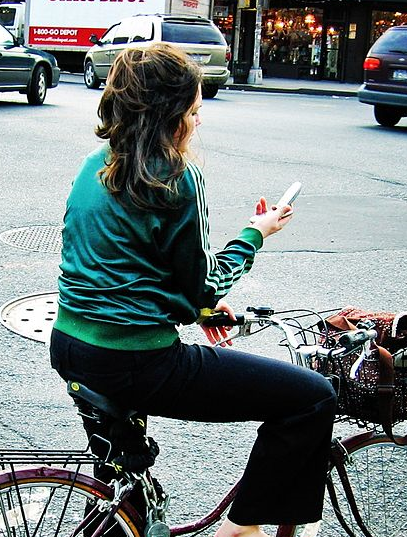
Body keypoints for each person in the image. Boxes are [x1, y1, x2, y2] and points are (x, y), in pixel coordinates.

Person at [49, 43, 337, 537]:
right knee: (311, 397)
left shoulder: (95, 163)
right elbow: (202, 285)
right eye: (194, 110)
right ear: (170, 115)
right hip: (136, 359)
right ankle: (243, 529)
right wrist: (256, 233)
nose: (198, 121)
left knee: (123, 481)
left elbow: (122, 264)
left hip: (71, 344)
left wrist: (192, 307)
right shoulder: (177, 177)